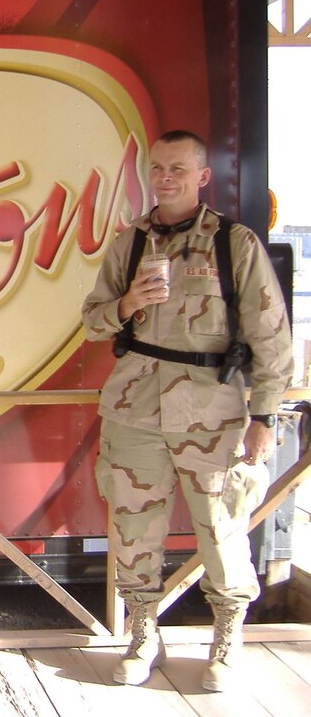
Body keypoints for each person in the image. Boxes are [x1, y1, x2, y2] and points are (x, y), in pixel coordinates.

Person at [81, 130, 293, 691]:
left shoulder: (234, 243)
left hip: (212, 412)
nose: (165, 177)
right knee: (133, 526)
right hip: (133, 409)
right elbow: (92, 320)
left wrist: (266, 417)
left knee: (221, 528)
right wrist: (127, 304)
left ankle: (227, 635)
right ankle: (143, 631)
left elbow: (271, 337)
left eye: (179, 168)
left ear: (202, 176)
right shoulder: (129, 244)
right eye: (157, 168)